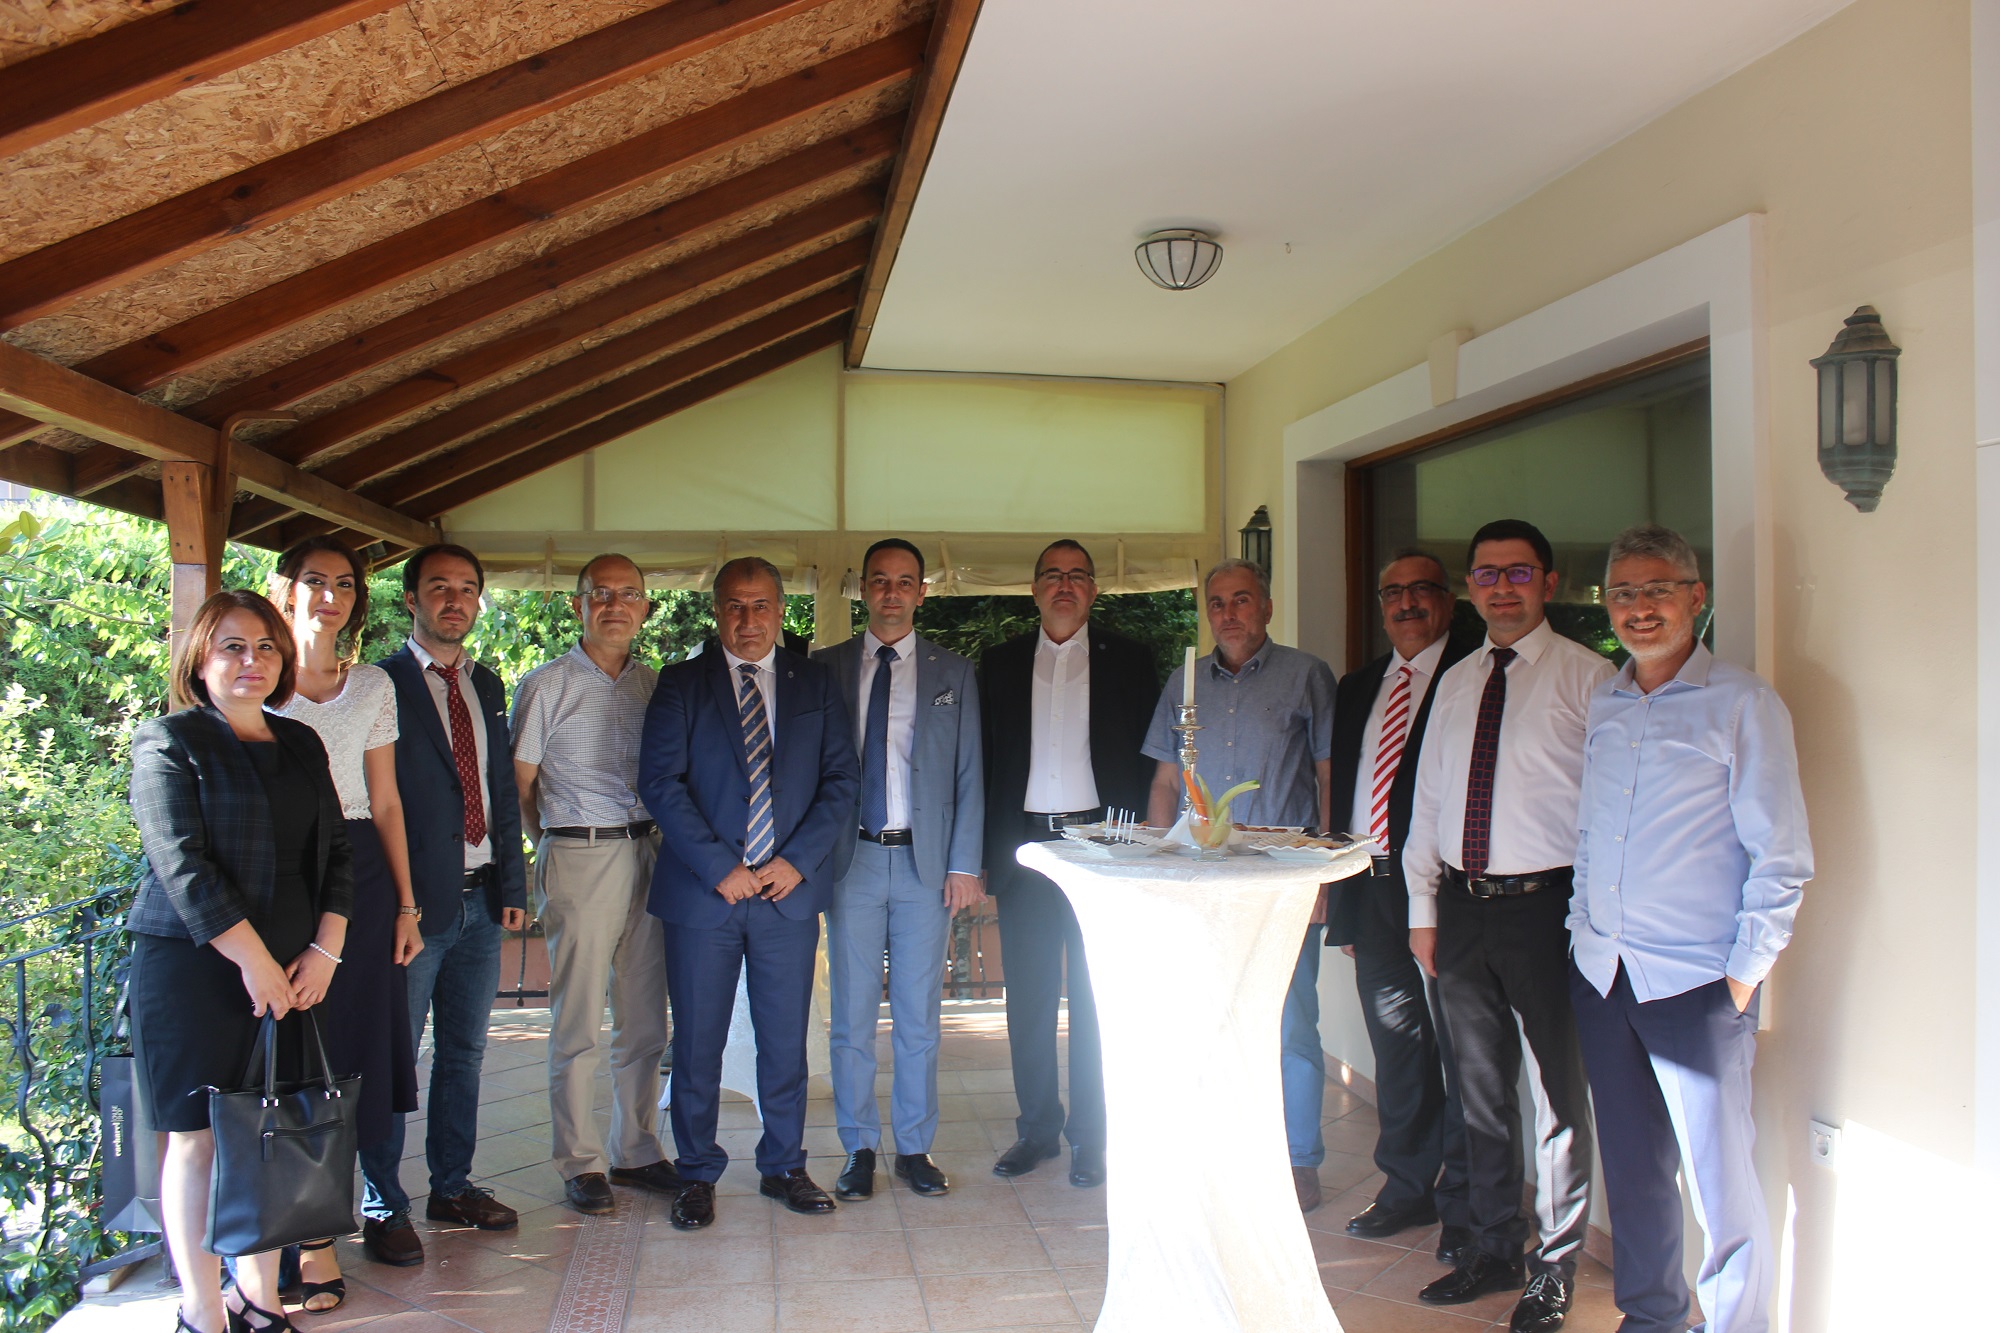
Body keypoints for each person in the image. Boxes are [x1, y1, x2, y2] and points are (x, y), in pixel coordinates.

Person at [1569, 525, 1810, 1333]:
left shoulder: (1743, 703)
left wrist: (1740, 979)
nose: (1639, 607)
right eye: (1623, 592)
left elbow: (1782, 855)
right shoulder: (1605, 700)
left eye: (1657, 589)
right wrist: (1581, 930)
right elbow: (1591, 834)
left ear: (1695, 598)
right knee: (1635, 1176)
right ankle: (1652, 1319)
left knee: (1720, 1186)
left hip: (1698, 983)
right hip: (1604, 975)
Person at [1403, 519, 1612, 1333]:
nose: (1501, 587)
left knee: (1558, 1095)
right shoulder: (1457, 681)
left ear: (1548, 583)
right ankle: (1492, 1246)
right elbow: (1426, 802)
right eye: (1486, 574)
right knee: (1480, 1091)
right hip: (1460, 910)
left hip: (1548, 910)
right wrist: (1423, 909)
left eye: (1518, 572)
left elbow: (1608, 814)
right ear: (1471, 587)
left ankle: (1554, 1268)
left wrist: (1592, 921)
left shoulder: (1591, 678)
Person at [127, 590, 353, 1333]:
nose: (251, 660)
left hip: (295, 971)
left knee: (267, 1132)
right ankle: (202, 1310)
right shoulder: (169, 741)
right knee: (196, 1138)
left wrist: (326, 948)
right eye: (232, 645)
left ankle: (257, 1297)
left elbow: (338, 853)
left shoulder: (301, 742)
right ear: (200, 658)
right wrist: (254, 960)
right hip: (195, 970)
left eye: (265, 646)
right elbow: (181, 865)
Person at [637, 556, 859, 1230]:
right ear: (717, 611)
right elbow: (660, 783)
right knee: (697, 1044)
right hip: (705, 896)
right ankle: (696, 1172)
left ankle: (783, 1165)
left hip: (786, 895)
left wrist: (796, 861)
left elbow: (841, 781)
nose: (748, 618)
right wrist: (718, 866)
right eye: (735, 604)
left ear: (781, 609)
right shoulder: (680, 683)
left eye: (761, 604)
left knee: (784, 1042)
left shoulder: (814, 682)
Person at [1142, 559, 1336, 1209]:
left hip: (1283, 878)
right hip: (1201, 880)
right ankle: (1221, 1154)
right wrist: (1157, 869)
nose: (1228, 613)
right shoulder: (1184, 682)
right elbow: (1165, 783)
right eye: (1217, 602)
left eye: (1242, 599)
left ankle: (1299, 1158)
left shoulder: (1306, 675)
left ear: (1267, 607)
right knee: (1206, 1018)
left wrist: (1326, 872)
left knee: (1290, 1021)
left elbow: (1328, 775)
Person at [268, 538, 423, 1310]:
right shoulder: (256, 680)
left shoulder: (371, 685)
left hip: (361, 874)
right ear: (285, 589)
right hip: (279, 873)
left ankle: (356, 1211)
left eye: (344, 584)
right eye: (315, 581)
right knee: (286, 1054)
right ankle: (286, 1231)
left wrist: (406, 904)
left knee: (356, 1053)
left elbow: (386, 800)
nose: (330, 595)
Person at [980, 539, 1158, 1189]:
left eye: (1077, 575)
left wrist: (1143, 850)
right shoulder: (999, 662)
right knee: (1028, 998)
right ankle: (1036, 1130)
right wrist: (980, 857)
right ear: (1034, 589)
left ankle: (1090, 1134)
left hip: (1100, 849)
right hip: (1026, 850)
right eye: (1052, 575)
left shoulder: (1131, 661)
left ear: (1094, 590)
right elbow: (984, 761)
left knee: (1093, 995)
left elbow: (1151, 763)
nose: (1064, 585)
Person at [814, 538, 985, 1201]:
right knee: (852, 1018)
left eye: (904, 581)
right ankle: (858, 1147)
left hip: (925, 865)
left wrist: (964, 863)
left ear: (922, 592)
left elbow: (969, 773)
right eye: (880, 580)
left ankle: (914, 1146)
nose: (891, 592)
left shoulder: (954, 673)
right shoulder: (826, 666)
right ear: (862, 588)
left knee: (919, 1019)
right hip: (850, 861)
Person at [510, 554, 681, 1216]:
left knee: (644, 1019)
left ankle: (636, 1148)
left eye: (628, 594)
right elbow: (520, 787)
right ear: (577, 604)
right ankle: (580, 1161)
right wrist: (553, 844)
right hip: (580, 852)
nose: (615, 605)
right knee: (578, 1019)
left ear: (646, 608)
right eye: (600, 593)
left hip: (650, 853)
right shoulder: (546, 685)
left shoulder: (654, 685)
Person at [371, 544, 529, 1253]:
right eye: (439, 587)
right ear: (412, 598)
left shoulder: (486, 683)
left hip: (481, 901)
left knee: (464, 1053)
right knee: (394, 1057)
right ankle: (383, 1203)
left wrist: (512, 883)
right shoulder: (380, 684)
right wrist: (395, 904)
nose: (454, 600)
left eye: (467, 588)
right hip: (412, 909)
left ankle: (452, 1185)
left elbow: (500, 789)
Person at [1324, 549, 1474, 1253]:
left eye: (1421, 590)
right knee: (1399, 1045)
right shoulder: (1359, 685)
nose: (1406, 603)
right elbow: (1346, 791)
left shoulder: (1474, 671)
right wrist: (1344, 897)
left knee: (1465, 1051)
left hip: (1448, 890)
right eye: (1393, 592)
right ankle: (1408, 1187)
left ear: (1448, 600)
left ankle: (1466, 1202)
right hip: (1371, 883)